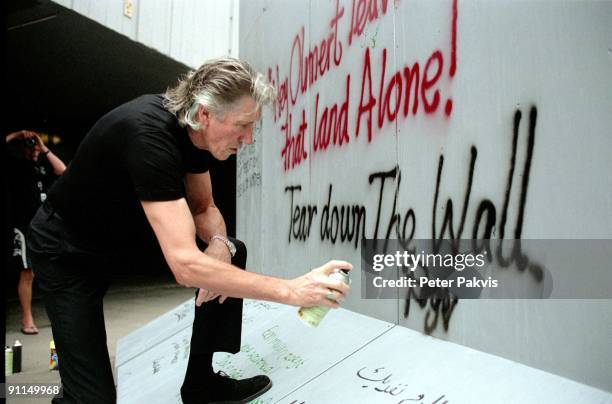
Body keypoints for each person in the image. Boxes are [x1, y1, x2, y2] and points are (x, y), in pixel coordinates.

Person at [27, 57, 352, 404]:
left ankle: (202, 385)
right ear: (204, 114)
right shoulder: (148, 138)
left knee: (232, 250)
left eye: (253, 126)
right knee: (92, 399)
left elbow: (204, 208)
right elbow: (184, 265)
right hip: (66, 250)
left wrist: (220, 244)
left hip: (118, 236)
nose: (248, 138)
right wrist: (292, 291)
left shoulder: (193, 138)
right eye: (243, 125)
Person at [6, 129, 66, 335]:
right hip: (23, 226)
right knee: (27, 273)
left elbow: (63, 171)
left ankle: (57, 315)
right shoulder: (16, 166)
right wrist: (16, 136)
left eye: (34, 146)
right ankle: (27, 318)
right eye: (29, 146)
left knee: (50, 270)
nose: (33, 149)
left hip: (45, 227)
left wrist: (43, 147)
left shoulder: (41, 166)